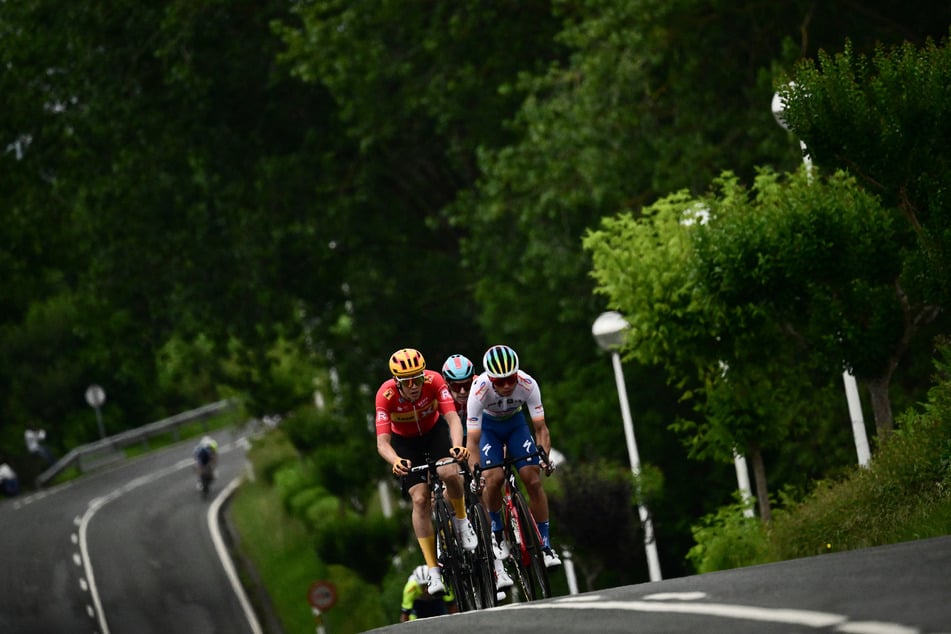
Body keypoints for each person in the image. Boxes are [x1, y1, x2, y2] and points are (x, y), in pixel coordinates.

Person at [375, 348, 478, 595]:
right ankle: (433, 571)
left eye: (418, 379)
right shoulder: (385, 395)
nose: (414, 386)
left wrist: (457, 447)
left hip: (434, 434)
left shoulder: (435, 381)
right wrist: (396, 460)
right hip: (405, 444)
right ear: (397, 383)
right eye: (407, 381)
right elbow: (382, 442)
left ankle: (462, 522)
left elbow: (453, 419)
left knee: (450, 473)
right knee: (420, 499)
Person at [466, 344, 562, 576]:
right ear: (490, 379)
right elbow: (472, 441)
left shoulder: (528, 384)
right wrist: (476, 473)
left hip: (515, 425)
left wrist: (545, 458)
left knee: (533, 480)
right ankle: (497, 530)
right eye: (500, 382)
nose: (507, 385)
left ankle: (546, 546)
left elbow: (541, 429)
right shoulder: (479, 391)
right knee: (494, 478)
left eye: (510, 379)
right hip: (488, 429)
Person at [440, 354, 477, 445]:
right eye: (456, 386)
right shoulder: (439, 390)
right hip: (448, 432)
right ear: (447, 383)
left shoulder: (480, 385)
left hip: (475, 429)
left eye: (467, 385)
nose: (462, 391)